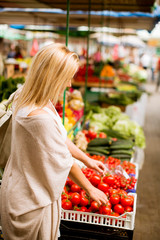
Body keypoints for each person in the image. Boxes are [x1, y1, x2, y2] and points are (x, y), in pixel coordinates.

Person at [0, 43, 108, 240]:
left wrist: (87, 160)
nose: (69, 85)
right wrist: (90, 188)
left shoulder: (26, 95)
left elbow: (60, 136)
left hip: (26, 188)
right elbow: (65, 161)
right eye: (67, 79)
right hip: (29, 201)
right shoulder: (38, 117)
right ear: (53, 77)